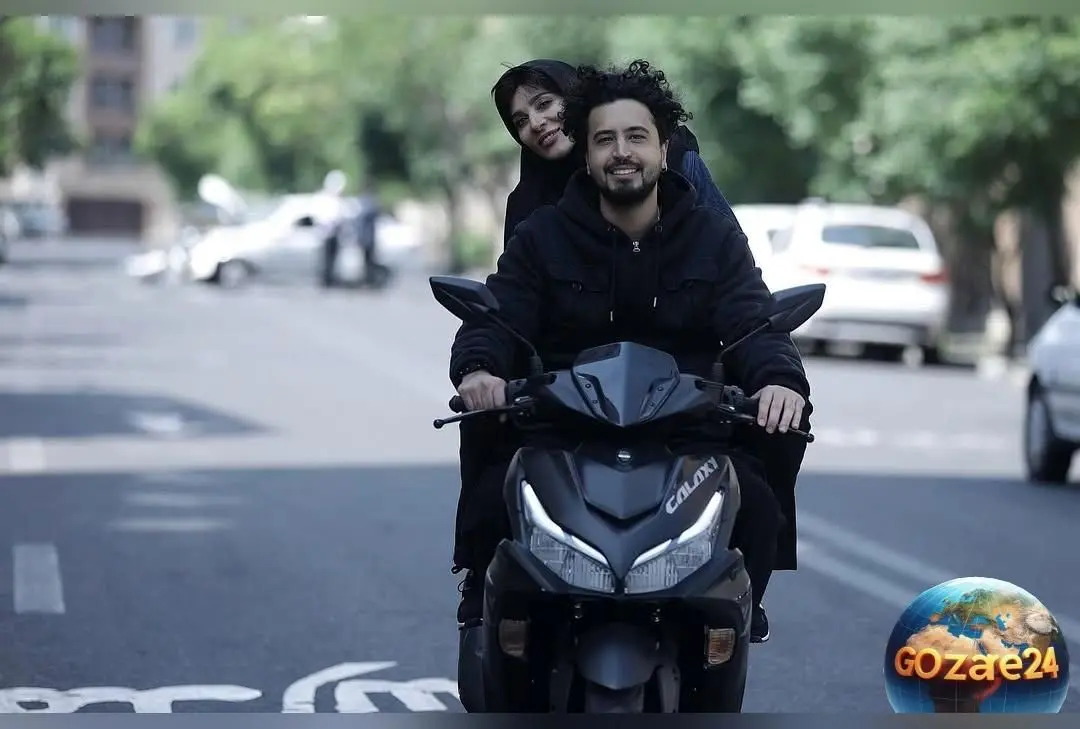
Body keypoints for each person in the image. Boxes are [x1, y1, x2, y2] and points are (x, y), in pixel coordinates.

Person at [449, 60, 812, 644]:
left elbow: (754, 320)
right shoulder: (541, 234)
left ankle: (742, 599)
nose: (621, 153)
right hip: (565, 425)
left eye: (636, 138)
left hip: (686, 428)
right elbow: (500, 314)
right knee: (495, 483)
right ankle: (486, 595)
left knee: (760, 497)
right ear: (586, 153)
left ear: (665, 150)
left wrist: (778, 381)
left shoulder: (713, 236)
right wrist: (478, 368)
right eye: (605, 141)